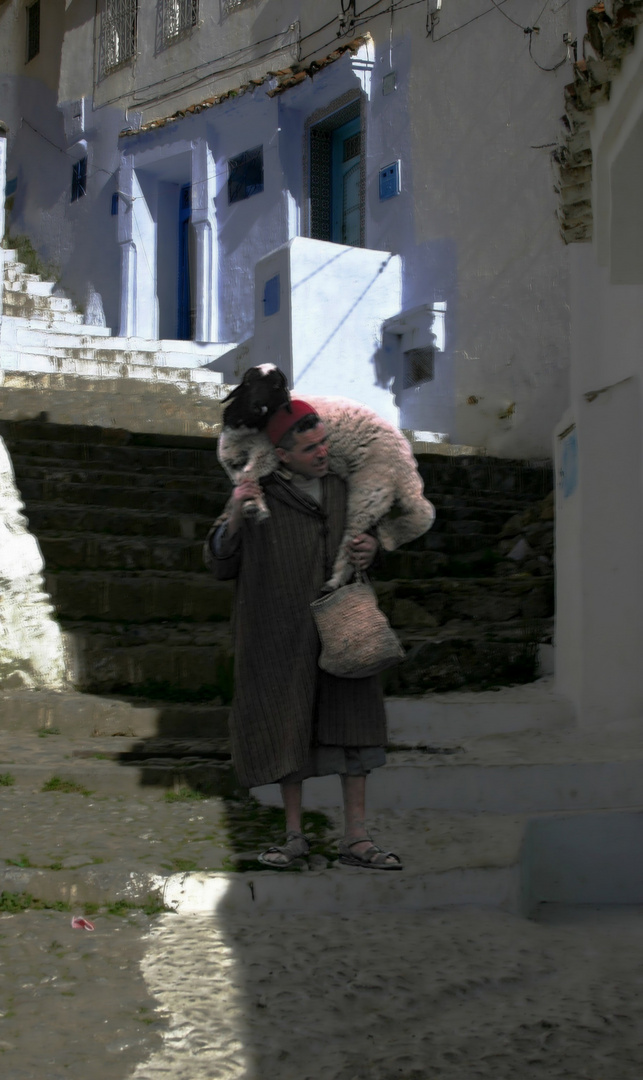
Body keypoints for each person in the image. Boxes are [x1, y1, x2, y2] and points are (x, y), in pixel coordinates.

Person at [205, 399, 402, 870]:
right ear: (283, 454)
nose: (321, 452)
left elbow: (379, 544)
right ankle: (293, 836)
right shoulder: (259, 493)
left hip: (343, 625)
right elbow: (220, 560)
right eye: (309, 448)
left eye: (323, 443)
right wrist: (236, 510)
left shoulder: (343, 487)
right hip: (280, 628)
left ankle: (357, 837)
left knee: (351, 725)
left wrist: (372, 548)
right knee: (286, 725)